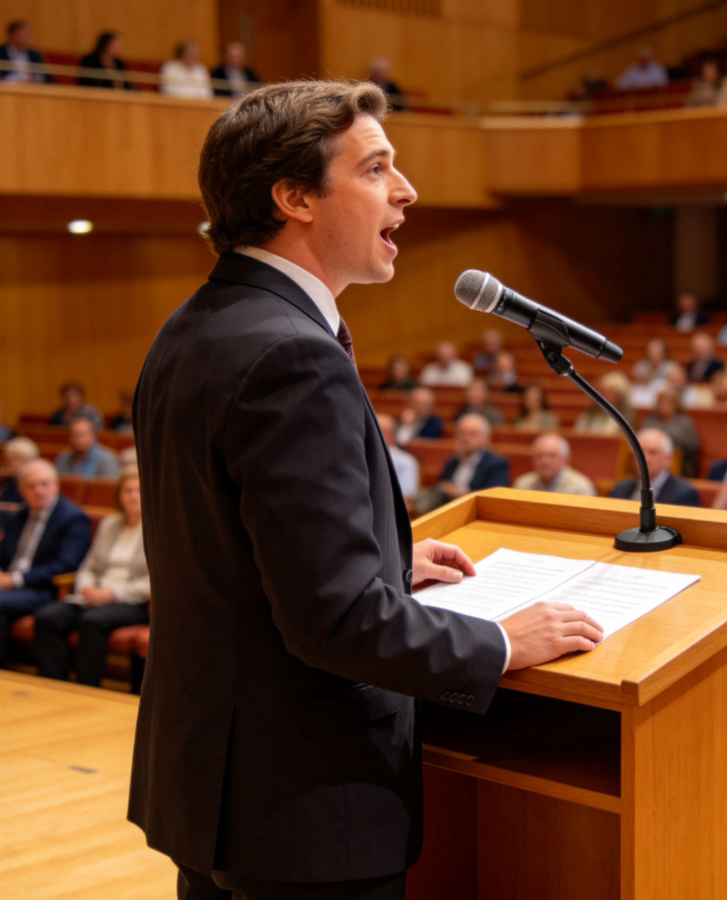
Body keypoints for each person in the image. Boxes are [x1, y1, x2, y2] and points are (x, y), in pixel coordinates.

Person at [129, 79, 602, 898]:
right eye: (377, 167)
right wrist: (501, 646)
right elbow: (334, 623)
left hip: (214, 784)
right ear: (293, 197)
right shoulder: (292, 355)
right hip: (304, 807)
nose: (407, 189)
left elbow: (226, 547)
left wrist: (385, 560)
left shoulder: (193, 328)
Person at [33, 468, 149, 686]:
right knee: (47, 618)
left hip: (132, 600)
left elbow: (155, 582)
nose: (133, 495)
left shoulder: (156, 529)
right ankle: (54, 684)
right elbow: (89, 565)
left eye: (139, 490)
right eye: (128, 490)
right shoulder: (109, 524)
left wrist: (112, 593)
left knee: (92, 622)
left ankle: (87, 687)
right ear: (119, 495)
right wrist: (87, 588)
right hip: (94, 595)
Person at [0, 459, 91, 669]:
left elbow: (65, 565)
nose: (38, 491)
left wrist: (14, 580)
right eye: (31, 486)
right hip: (10, 585)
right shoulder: (18, 516)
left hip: (44, 588)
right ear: (21, 489)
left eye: (44, 484)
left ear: (56, 485)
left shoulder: (72, 518)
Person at [425, 413, 510, 512]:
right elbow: (440, 485)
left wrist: (462, 493)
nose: (465, 438)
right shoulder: (452, 462)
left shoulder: (497, 464)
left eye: (472, 434)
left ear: (485, 438)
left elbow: (495, 496)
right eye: (462, 433)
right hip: (448, 511)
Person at [610, 428, 699, 507]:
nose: (644, 459)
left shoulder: (684, 494)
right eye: (639, 452)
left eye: (652, 452)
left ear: (668, 458)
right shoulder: (619, 490)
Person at [512, 433, 596, 496]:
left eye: (552, 456)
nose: (545, 461)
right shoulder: (522, 484)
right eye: (539, 455)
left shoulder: (580, 488)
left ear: (565, 459)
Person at [641, 389, 699, 477]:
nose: (665, 406)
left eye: (668, 403)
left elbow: (692, 447)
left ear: (676, 404)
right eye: (662, 403)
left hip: (680, 461)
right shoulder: (649, 421)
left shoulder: (685, 422)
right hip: (651, 459)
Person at [54, 416, 122, 479]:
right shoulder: (63, 458)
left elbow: (109, 488)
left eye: (82, 435)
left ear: (93, 436)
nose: (78, 440)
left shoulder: (107, 459)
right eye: (74, 436)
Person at [376, 413, 419, 500]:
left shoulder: (406, 461)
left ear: (392, 435)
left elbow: (406, 498)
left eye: (381, 431)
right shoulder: (359, 457)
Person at [0, 19, 51, 84]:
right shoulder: (2, 52)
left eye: (27, 35)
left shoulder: (35, 54)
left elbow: (45, 77)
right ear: (12, 35)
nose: (26, 38)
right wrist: (17, 81)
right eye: (23, 35)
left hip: (32, 88)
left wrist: (33, 79)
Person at [0, 436, 39, 504]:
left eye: (18, 459)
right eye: (10, 459)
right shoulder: (6, 480)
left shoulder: (34, 483)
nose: (12, 463)